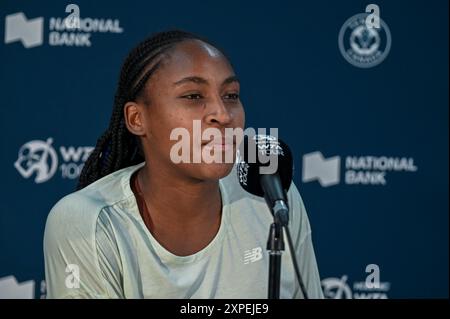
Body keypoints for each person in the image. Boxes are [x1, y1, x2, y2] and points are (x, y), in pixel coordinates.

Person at [43, 30, 324, 299]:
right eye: (193, 96)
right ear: (137, 119)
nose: (223, 115)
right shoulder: (87, 221)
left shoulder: (270, 192)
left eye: (231, 95)